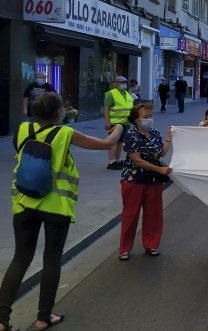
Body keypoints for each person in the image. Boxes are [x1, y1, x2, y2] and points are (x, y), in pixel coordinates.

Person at [0, 93, 123, 330]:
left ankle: (2, 320)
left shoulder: (23, 129)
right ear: (59, 113)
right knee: (51, 259)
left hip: (24, 202)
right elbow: (106, 144)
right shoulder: (65, 133)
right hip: (56, 206)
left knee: (20, 259)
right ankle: (43, 317)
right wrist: (118, 127)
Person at [118, 103, 172, 261]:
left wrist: (169, 137)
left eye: (150, 116)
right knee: (130, 215)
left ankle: (151, 244)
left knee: (154, 214)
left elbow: (160, 153)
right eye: (145, 117)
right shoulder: (130, 135)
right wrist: (159, 169)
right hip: (134, 180)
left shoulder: (154, 133)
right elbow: (137, 160)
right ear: (136, 119)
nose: (149, 119)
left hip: (154, 181)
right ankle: (124, 248)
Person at [103, 76, 134, 170]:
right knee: (113, 142)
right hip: (114, 123)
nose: (124, 84)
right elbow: (106, 108)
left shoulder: (128, 93)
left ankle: (117, 161)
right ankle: (111, 162)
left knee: (120, 143)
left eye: (125, 82)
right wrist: (107, 122)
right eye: (121, 82)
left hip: (125, 123)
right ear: (115, 83)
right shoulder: (110, 94)